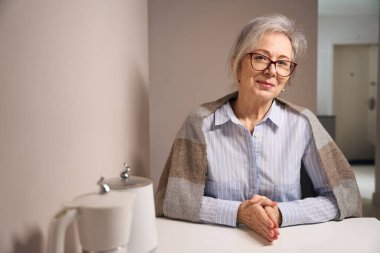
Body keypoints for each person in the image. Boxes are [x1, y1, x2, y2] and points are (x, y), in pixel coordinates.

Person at [155, 14, 362, 242]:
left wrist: (281, 213)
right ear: (237, 65)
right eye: (261, 58)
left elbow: (342, 199)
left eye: (283, 63)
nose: (272, 71)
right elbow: (175, 200)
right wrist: (238, 213)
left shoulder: (303, 124)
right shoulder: (200, 123)